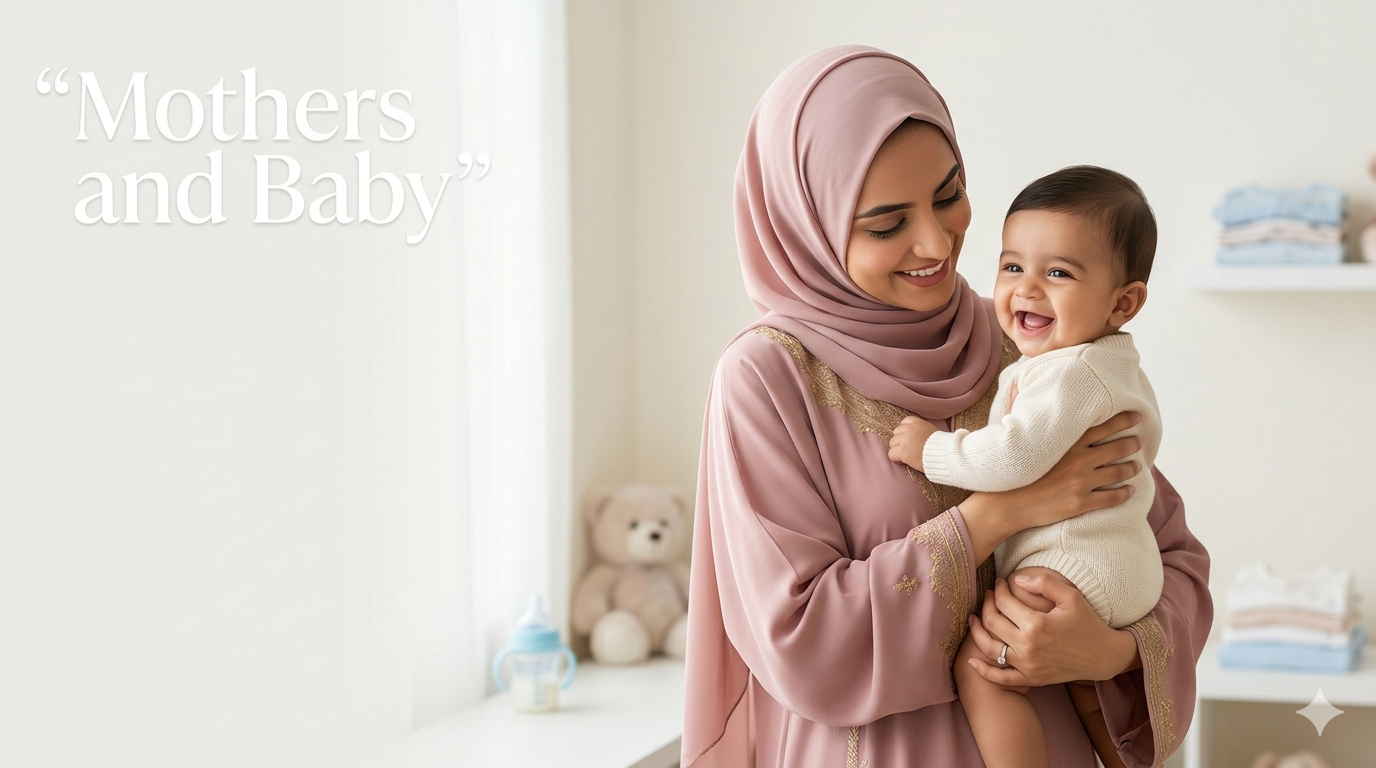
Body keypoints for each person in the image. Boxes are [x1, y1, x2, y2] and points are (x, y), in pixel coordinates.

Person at [682, 45, 1212, 768]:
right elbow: (800, 635)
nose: (936, 242)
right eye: (885, 224)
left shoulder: (1030, 343)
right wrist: (1003, 512)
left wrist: (1111, 648)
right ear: (806, 224)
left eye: (949, 193)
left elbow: (1166, 551)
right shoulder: (767, 380)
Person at [887, 165, 1165, 768]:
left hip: (1077, 567)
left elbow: (1012, 454)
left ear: (1124, 302)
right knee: (1075, 682)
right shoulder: (1098, 364)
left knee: (983, 666)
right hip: (1114, 564)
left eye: (1058, 273)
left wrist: (932, 450)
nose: (1027, 289)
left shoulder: (1073, 372)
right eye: (1013, 266)